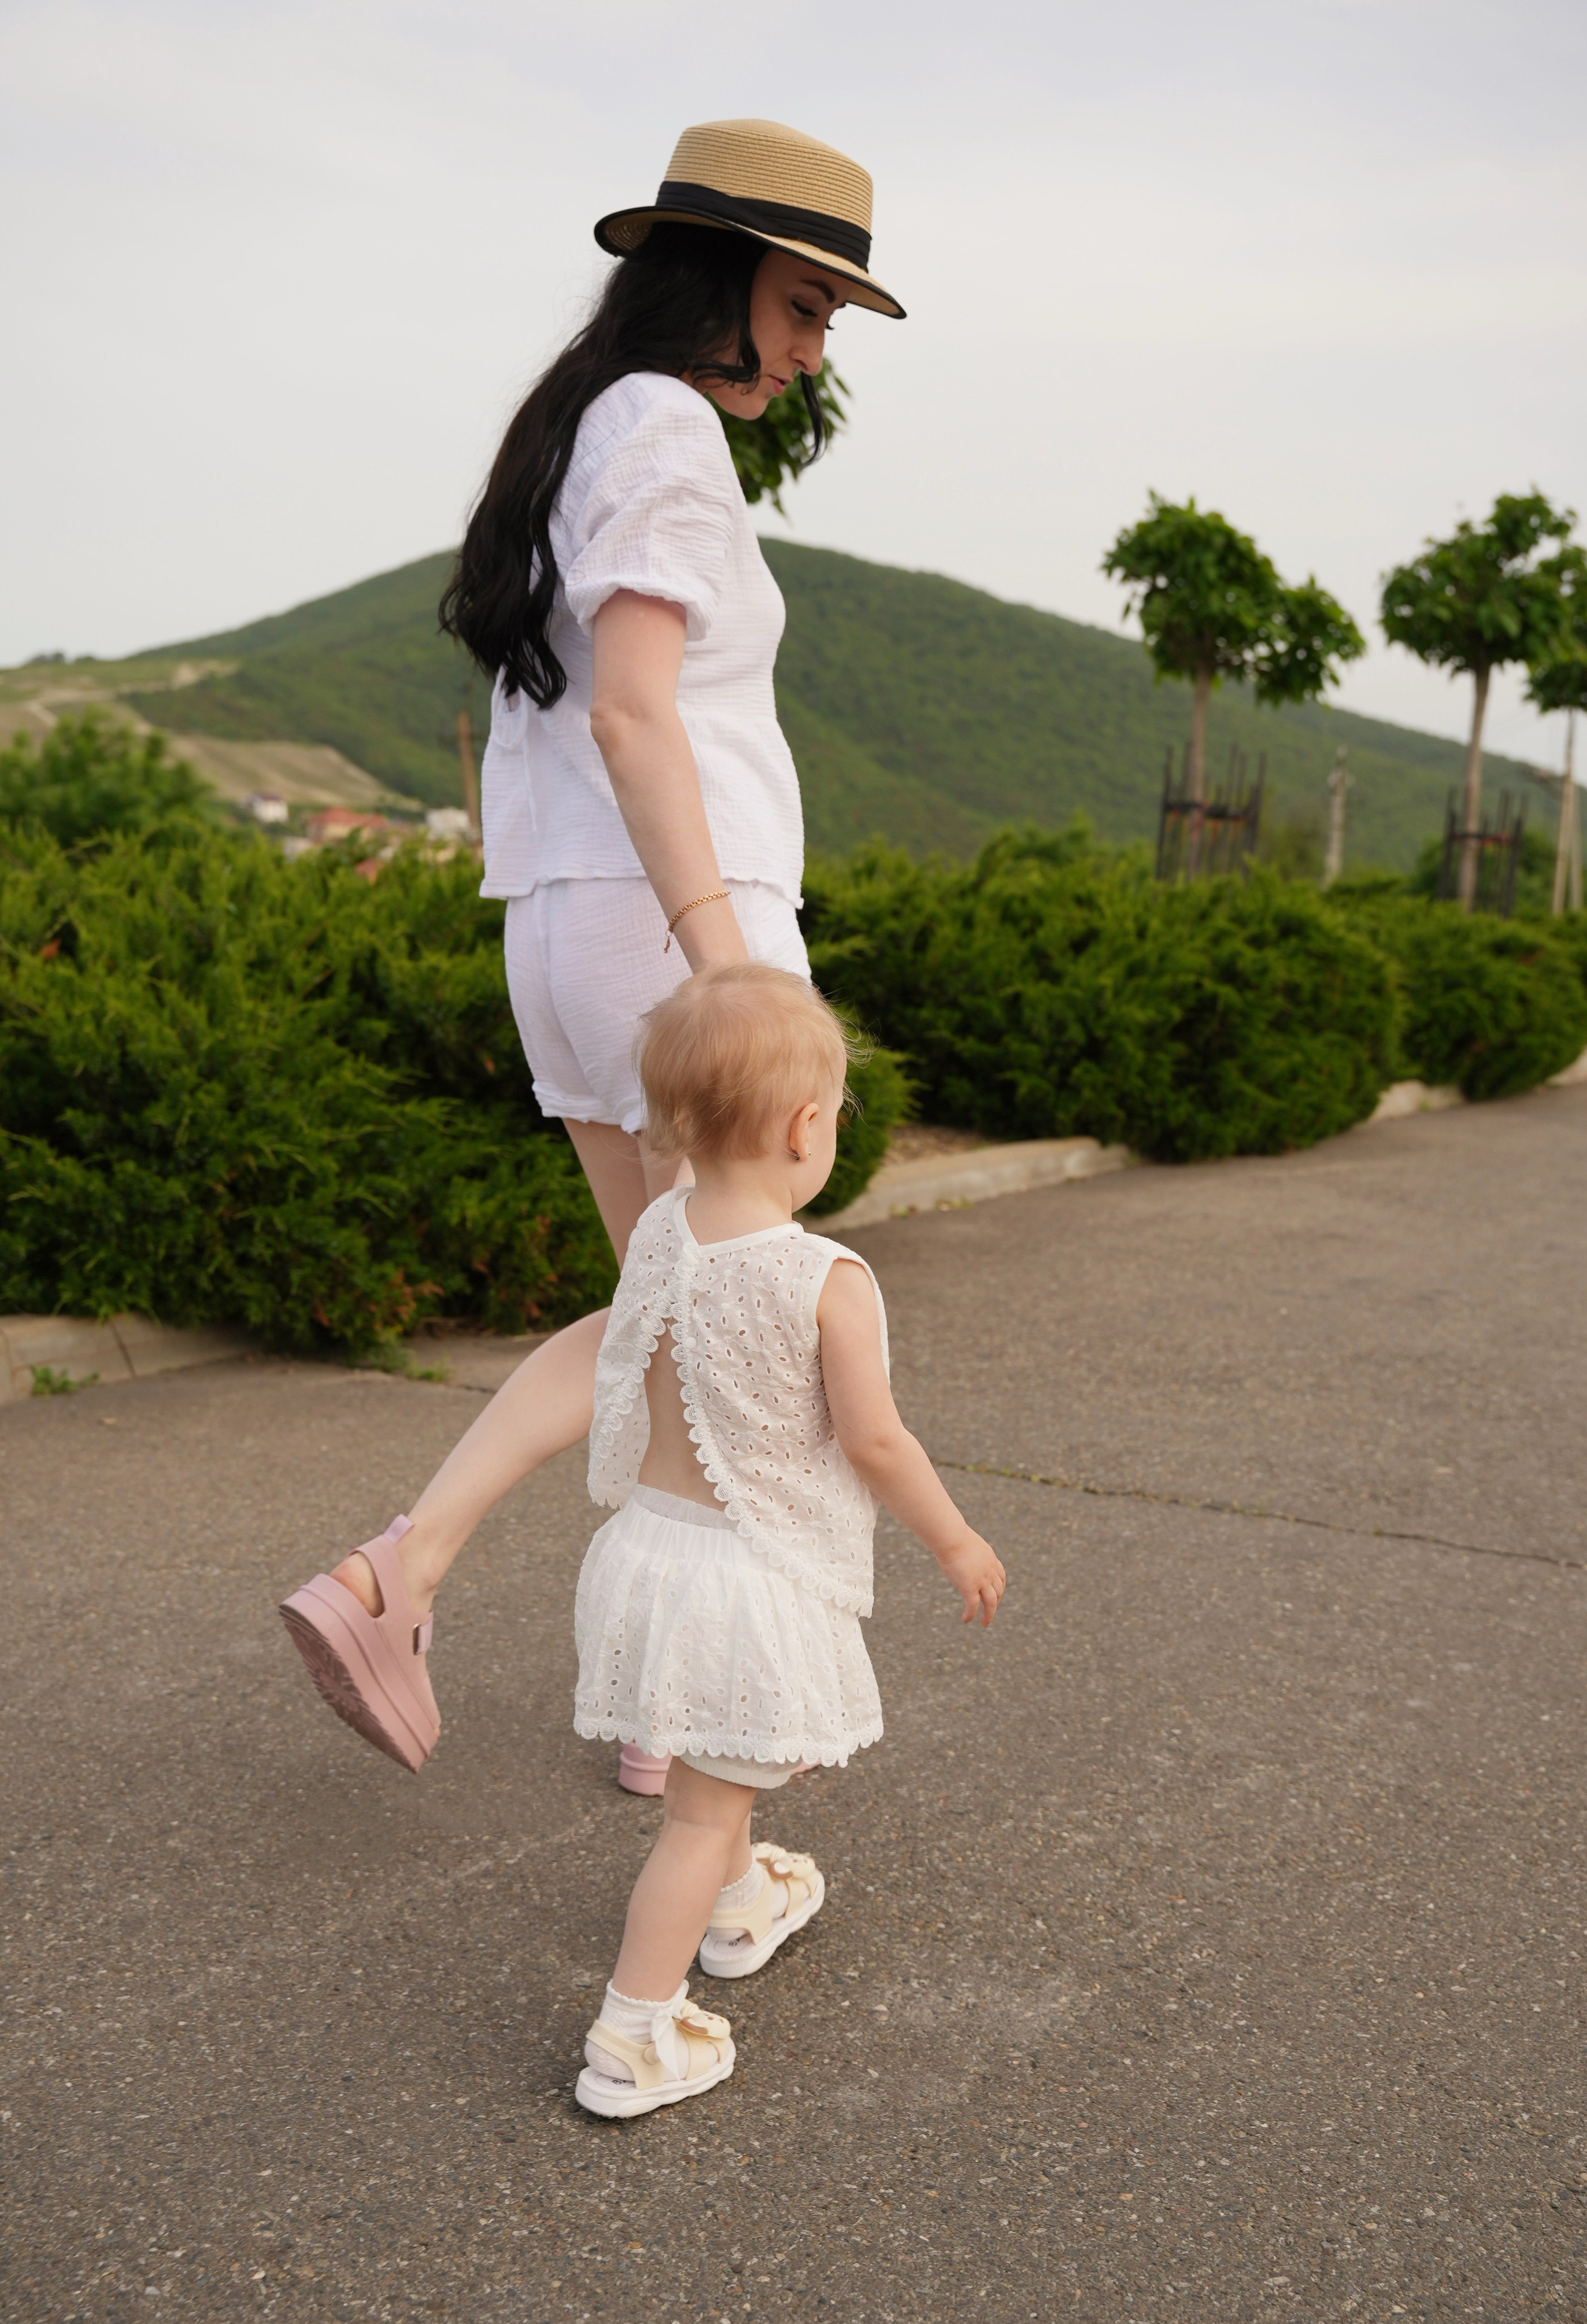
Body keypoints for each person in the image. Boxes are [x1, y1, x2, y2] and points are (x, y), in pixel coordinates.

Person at [276, 119, 906, 1791]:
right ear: (726, 277)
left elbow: (552, 723)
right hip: (672, 926)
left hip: (563, 919)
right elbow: (638, 709)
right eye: (807, 303)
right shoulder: (665, 432)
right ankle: (409, 1579)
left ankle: (649, 1710)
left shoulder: (573, 432)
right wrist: (729, 966)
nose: (814, 344)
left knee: (672, 1318)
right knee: (735, 1326)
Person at [287, 966, 1007, 2118]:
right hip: (744, 1580)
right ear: (805, 1127)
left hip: (647, 1556)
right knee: (699, 1815)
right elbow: (874, 1441)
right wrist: (956, 1539)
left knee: (707, 1758)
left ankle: (740, 1905)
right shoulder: (828, 1279)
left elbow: (620, 1364)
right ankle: (634, 2034)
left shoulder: (664, 1234)